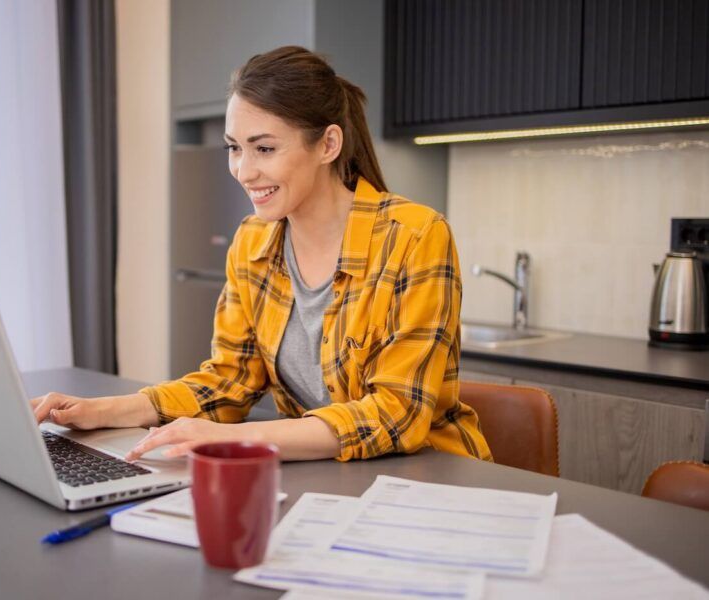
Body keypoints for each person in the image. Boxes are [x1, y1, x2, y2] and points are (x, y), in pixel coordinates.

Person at [31, 46, 492, 464]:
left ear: (328, 145)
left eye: (265, 149)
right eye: (235, 148)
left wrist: (238, 440)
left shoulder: (414, 236)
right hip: (331, 477)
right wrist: (99, 411)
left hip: (431, 473)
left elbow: (396, 414)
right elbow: (228, 383)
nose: (244, 171)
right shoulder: (253, 240)